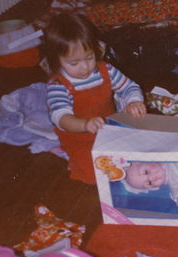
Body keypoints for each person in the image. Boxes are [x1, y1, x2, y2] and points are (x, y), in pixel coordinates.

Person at [44, 12, 146, 184]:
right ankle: (69, 157)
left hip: (111, 128)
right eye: (74, 63)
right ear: (56, 60)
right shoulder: (58, 85)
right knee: (97, 175)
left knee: (138, 156)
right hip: (79, 137)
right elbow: (61, 118)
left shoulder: (105, 70)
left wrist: (133, 101)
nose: (84, 67)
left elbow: (129, 87)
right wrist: (85, 125)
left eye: (89, 57)